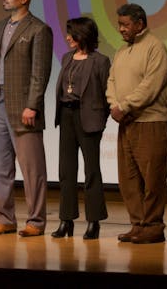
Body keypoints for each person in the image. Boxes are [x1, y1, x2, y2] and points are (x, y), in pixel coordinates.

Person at [0, 0, 53, 237]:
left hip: (23, 107)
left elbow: (40, 72)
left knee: (32, 167)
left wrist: (32, 105)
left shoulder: (38, 29)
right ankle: (5, 218)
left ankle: (36, 221)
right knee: (0, 166)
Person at [106, 3, 167, 244]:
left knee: (152, 178)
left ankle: (153, 226)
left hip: (151, 121)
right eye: (120, 24)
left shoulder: (156, 47)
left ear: (140, 24)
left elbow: (151, 86)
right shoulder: (121, 51)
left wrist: (124, 107)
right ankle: (137, 224)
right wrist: (114, 104)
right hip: (127, 123)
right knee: (128, 179)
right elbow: (111, 80)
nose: (121, 29)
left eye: (125, 25)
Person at [51, 17, 110, 240]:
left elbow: (106, 94)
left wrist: (100, 119)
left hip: (89, 118)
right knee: (66, 170)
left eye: (71, 33)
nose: (67, 37)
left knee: (91, 171)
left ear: (82, 35)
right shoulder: (67, 57)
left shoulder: (100, 61)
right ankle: (66, 219)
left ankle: (94, 221)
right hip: (66, 115)